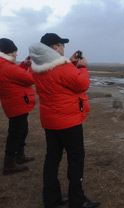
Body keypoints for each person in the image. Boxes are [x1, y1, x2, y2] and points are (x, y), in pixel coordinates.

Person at [29, 33, 100, 208]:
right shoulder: (63, 67)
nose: (63, 48)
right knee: (76, 158)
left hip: (50, 120)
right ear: (54, 48)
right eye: (61, 46)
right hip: (69, 120)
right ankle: (77, 199)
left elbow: (59, 77)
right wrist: (82, 67)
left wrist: (69, 62)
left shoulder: (36, 66)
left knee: (52, 157)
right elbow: (82, 84)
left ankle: (51, 198)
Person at [0, 38, 36, 175]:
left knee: (22, 130)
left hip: (15, 103)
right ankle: (9, 164)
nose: (16, 54)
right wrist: (32, 66)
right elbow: (30, 79)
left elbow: (15, 75)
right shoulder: (7, 66)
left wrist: (24, 65)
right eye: (14, 51)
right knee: (15, 133)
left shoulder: (4, 65)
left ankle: (19, 156)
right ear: (8, 52)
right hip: (17, 104)